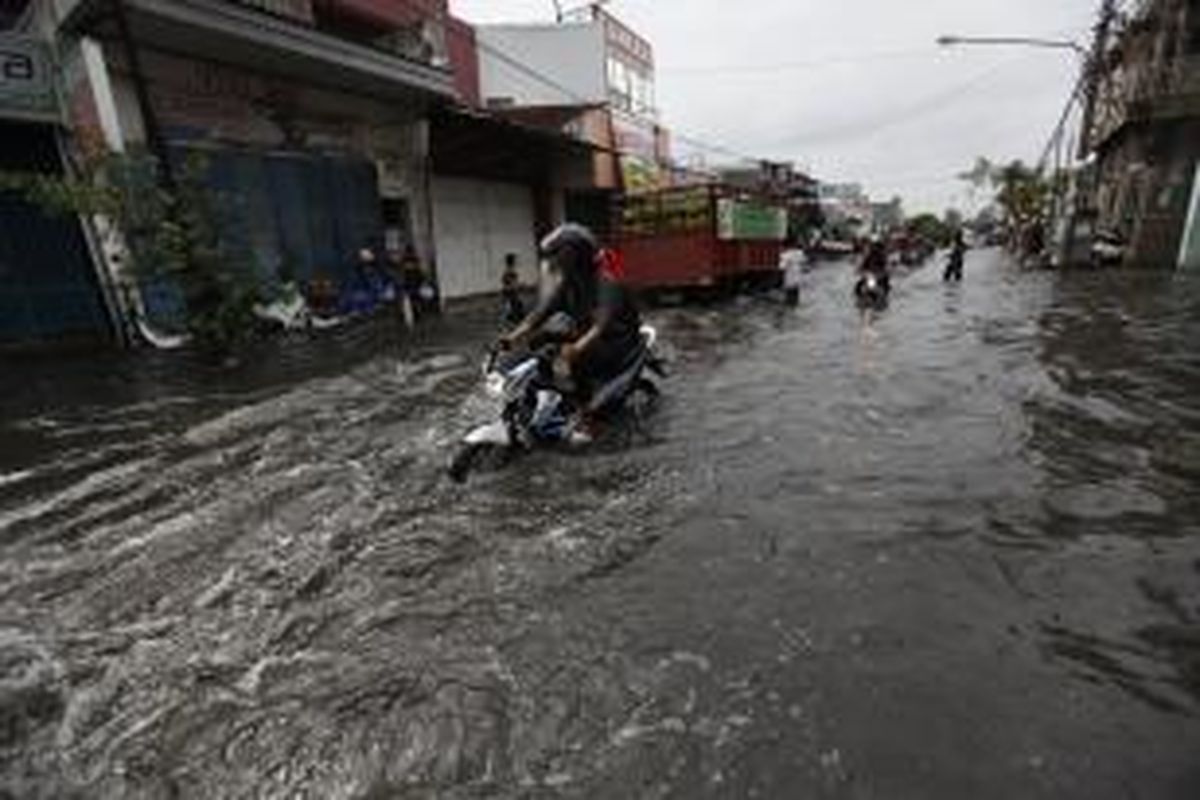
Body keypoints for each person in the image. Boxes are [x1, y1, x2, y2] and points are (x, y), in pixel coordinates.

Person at [500, 224, 643, 440]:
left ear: (572, 257)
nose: (553, 262)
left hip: (616, 341)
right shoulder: (568, 284)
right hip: (588, 337)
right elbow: (538, 316)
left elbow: (599, 326)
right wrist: (512, 339)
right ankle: (546, 402)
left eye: (557, 256)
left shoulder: (605, 284)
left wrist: (576, 348)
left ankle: (585, 412)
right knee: (541, 343)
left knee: (577, 359)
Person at [501, 253, 526, 325]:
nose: (517, 262)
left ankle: (511, 320)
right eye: (515, 260)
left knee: (515, 306)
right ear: (512, 261)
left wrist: (518, 285)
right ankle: (509, 321)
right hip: (510, 292)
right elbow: (509, 282)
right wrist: (518, 285)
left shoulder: (509, 270)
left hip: (511, 291)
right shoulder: (509, 271)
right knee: (513, 307)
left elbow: (508, 282)